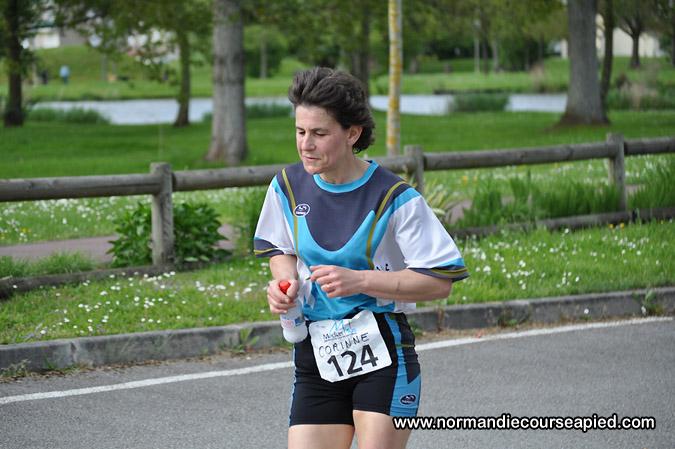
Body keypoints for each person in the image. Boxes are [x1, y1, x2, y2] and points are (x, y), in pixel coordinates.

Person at [254, 67, 468, 449]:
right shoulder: (287, 186)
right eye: (300, 132)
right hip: (316, 352)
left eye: (319, 133)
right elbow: (281, 248)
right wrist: (285, 284)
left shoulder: (394, 196)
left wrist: (360, 280)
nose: (306, 144)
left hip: (383, 354)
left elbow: (440, 281)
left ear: (352, 133)